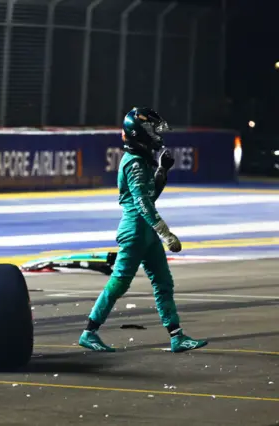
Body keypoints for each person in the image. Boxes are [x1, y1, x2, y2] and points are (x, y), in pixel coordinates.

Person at [78, 107, 208, 353]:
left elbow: (150, 195)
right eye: (151, 131)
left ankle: (176, 336)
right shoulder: (134, 162)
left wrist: (162, 171)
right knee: (119, 283)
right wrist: (166, 234)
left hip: (144, 231)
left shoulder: (141, 158)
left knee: (163, 282)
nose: (156, 136)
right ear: (139, 133)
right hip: (137, 231)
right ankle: (89, 331)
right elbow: (143, 203)